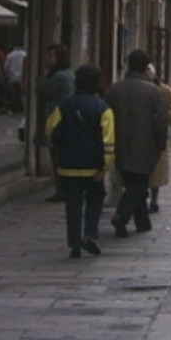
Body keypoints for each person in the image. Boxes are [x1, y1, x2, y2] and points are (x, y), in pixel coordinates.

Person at [46, 64, 115, 258]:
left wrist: (60, 147)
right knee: (95, 198)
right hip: (93, 166)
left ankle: (74, 243)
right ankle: (90, 233)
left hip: (68, 165)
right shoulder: (103, 108)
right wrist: (105, 166)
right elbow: (108, 141)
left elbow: (50, 129)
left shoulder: (64, 104)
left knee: (73, 203)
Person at [103, 50, 167, 238]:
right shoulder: (153, 91)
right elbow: (160, 122)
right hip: (145, 146)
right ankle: (121, 216)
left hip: (120, 145)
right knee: (138, 185)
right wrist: (160, 143)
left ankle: (142, 222)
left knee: (133, 182)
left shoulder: (114, 90)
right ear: (146, 67)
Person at [35, 44, 76, 202]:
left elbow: (41, 90)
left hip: (57, 123)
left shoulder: (58, 77)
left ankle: (62, 190)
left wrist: (40, 79)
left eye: (51, 55)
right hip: (64, 122)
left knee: (58, 157)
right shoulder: (68, 75)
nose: (47, 57)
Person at [146, 63, 171, 214]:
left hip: (157, 134)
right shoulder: (139, 90)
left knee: (157, 172)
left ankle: (154, 199)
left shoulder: (165, 91)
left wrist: (162, 117)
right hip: (141, 134)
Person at [5, 42, 28, 113]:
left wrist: (7, 75)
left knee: (14, 92)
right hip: (23, 76)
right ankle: (20, 107)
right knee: (19, 92)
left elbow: (6, 66)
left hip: (13, 77)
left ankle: (14, 107)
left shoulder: (10, 55)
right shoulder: (25, 54)